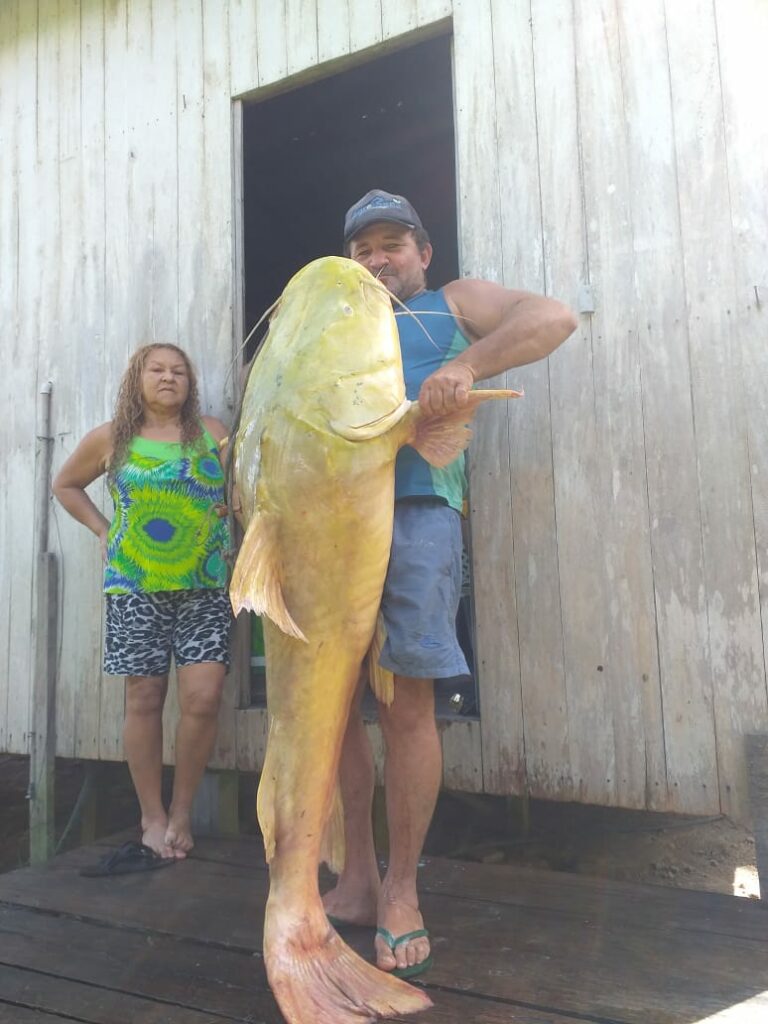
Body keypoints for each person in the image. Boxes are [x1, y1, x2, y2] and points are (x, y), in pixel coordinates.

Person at [322, 190, 577, 977]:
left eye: (391, 244)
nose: (377, 260)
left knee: (406, 706)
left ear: (423, 253)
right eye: (363, 250)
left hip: (416, 515)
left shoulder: (451, 302)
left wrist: (464, 364)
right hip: (332, 523)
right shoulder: (331, 326)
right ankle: (358, 876)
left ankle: (403, 889)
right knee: (332, 714)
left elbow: (555, 318)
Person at [52, 343, 232, 864]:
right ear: (138, 378)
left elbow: (245, 492)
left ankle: (182, 813)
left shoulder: (214, 435)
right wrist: (103, 530)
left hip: (204, 586)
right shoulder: (112, 438)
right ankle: (152, 817)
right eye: (157, 369)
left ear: (189, 383)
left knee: (202, 698)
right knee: (145, 700)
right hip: (135, 588)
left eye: (178, 371)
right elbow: (66, 486)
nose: (168, 377)